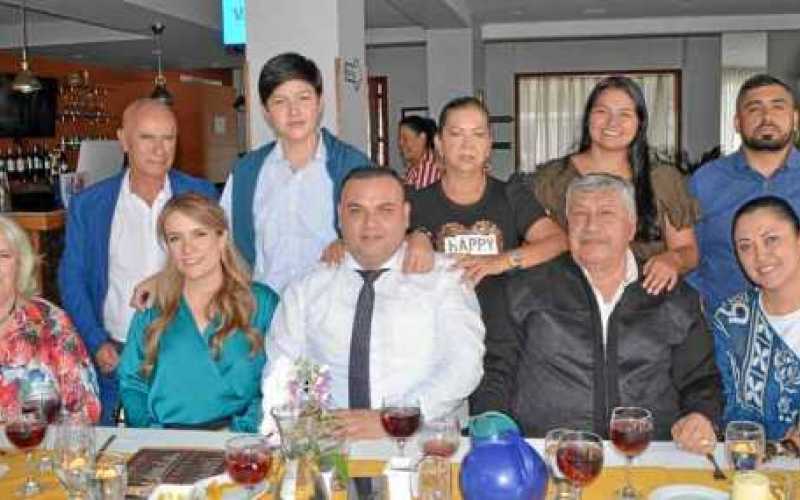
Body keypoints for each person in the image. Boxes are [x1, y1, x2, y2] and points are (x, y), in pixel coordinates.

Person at [471, 174, 721, 453]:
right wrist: (493, 427)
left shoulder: (672, 295)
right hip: (549, 453)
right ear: (567, 226)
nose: (591, 226)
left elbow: (701, 379)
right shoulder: (525, 288)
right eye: (579, 215)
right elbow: (495, 372)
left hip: (649, 453)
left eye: (606, 213)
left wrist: (701, 415)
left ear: (631, 226)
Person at [260, 168, 485, 437]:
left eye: (385, 210)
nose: (370, 224)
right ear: (339, 216)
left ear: (406, 215)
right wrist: (314, 416)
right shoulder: (306, 289)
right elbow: (285, 367)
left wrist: (394, 419)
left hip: (422, 444)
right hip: (330, 447)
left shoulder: (444, 280)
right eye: (356, 210)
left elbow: (463, 365)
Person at [58, 98, 218, 425]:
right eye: (147, 137)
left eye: (168, 138)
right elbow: (71, 279)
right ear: (123, 140)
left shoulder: (201, 195)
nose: (160, 149)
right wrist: (96, 341)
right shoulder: (90, 204)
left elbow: (220, 266)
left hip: (186, 353)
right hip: (114, 356)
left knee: (183, 455)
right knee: (115, 457)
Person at [522, 76, 699, 296]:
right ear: (588, 118)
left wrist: (673, 259)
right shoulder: (552, 178)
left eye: (624, 114)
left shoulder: (663, 179)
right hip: (569, 303)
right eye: (602, 112)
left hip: (648, 303)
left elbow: (688, 251)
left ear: (640, 122)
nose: (612, 123)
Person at [118, 194, 278, 432]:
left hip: (240, 448)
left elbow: (280, 380)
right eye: (175, 238)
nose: (187, 248)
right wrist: (153, 436)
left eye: (199, 234)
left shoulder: (260, 303)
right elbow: (132, 384)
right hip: (162, 447)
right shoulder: (153, 307)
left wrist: (241, 433)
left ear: (221, 237)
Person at [221, 52, 370, 293]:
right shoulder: (246, 173)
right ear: (266, 111)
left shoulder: (354, 166)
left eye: (303, 98)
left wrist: (349, 244)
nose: (294, 111)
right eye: (280, 101)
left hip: (335, 311)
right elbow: (224, 242)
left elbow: (382, 235)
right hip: (266, 315)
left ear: (319, 103)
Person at [409, 96, 567, 287]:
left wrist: (502, 261)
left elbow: (558, 241)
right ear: (439, 143)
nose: (467, 145)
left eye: (478, 134)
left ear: (489, 145)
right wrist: (412, 239)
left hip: (503, 313)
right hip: (440, 313)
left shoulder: (512, 195)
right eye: (456, 134)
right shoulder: (415, 202)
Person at [689, 74, 800, 312]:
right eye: (754, 109)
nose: (767, 118)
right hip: (723, 334)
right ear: (738, 122)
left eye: (778, 107)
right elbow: (688, 256)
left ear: (795, 118)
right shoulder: (706, 181)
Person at [713, 196, 800, 440]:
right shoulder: (732, 319)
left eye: (771, 240)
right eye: (745, 246)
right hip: (754, 465)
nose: (760, 256)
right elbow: (727, 405)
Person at [0, 216, 100, 422]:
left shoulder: (50, 322)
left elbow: (85, 409)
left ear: (21, 263)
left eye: (3, 255)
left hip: (40, 449)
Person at [399, 115, 441, 190]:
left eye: (405, 139)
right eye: (399, 139)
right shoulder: (413, 167)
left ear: (422, 138)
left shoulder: (430, 168)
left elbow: (423, 200)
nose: (400, 143)